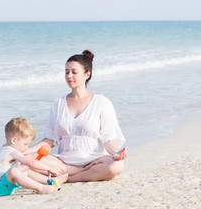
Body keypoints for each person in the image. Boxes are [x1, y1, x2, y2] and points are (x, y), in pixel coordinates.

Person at [27, 50, 127, 182]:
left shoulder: (101, 102)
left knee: (116, 166)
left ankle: (69, 179)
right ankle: (75, 173)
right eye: (66, 71)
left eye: (74, 72)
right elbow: (50, 140)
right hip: (63, 162)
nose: (69, 76)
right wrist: (26, 152)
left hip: (94, 160)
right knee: (27, 160)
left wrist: (116, 153)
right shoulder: (58, 103)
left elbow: (108, 139)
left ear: (87, 74)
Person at [0, 117, 67, 196]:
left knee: (25, 169)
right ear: (14, 140)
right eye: (25, 144)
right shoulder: (10, 152)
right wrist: (49, 168)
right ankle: (40, 188)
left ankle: (50, 181)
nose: (27, 148)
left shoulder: (10, 150)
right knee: (13, 171)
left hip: (6, 184)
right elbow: (30, 162)